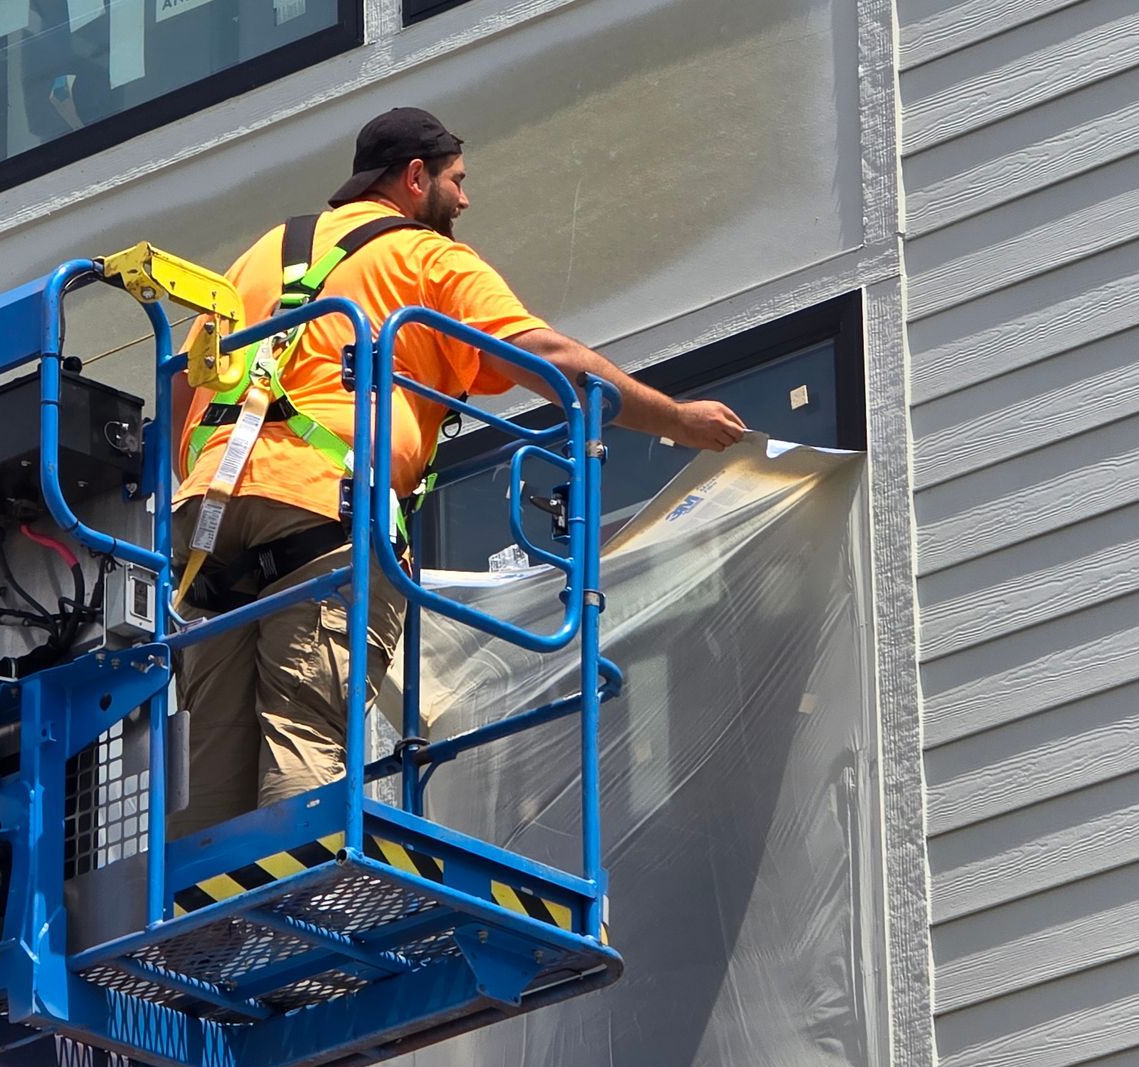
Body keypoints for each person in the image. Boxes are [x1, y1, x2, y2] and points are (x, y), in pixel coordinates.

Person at [169, 107, 747, 834]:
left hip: (207, 516)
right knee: (307, 727)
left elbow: (182, 386)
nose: (464, 200)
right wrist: (677, 419)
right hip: (324, 504)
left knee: (212, 759)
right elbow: (554, 364)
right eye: (457, 181)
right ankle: (299, 912)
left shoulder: (261, 256)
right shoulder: (425, 257)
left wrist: (192, 485)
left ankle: (209, 924)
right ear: (416, 178)